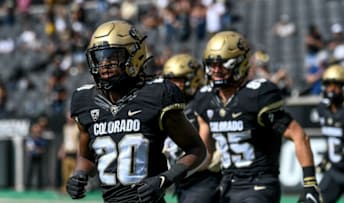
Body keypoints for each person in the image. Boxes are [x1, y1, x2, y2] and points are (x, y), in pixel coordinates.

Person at [66, 20, 208, 203]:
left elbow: (196, 150)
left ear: (134, 56)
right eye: (99, 57)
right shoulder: (84, 100)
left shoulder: (157, 95)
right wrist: (79, 174)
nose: (104, 64)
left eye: (112, 57)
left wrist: (166, 178)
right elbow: (87, 158)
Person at [195, 31, 322, 203]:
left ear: (240, 63)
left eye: (222, 64)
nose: (216, 70)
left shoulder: (257, 96)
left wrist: (310, 183)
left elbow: (299, 135)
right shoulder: (206, 100)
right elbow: (206, 153)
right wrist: (177, 173)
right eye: (212, 64)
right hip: (226, 185)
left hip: (259, 185)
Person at [162, 53, 221, 203]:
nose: (173, 85)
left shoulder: (204, 101)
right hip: (184, 176)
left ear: (193, 78)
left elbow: (205, 153)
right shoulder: (171, 106)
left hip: (204, 176)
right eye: (169, 80)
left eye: (178, 80)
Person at [316, 64, 344, 203]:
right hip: (335, 171)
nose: (331, 89)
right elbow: (332, 140)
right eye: (328, 85)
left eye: (336, 85)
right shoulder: (322, 109)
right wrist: (326, 158)